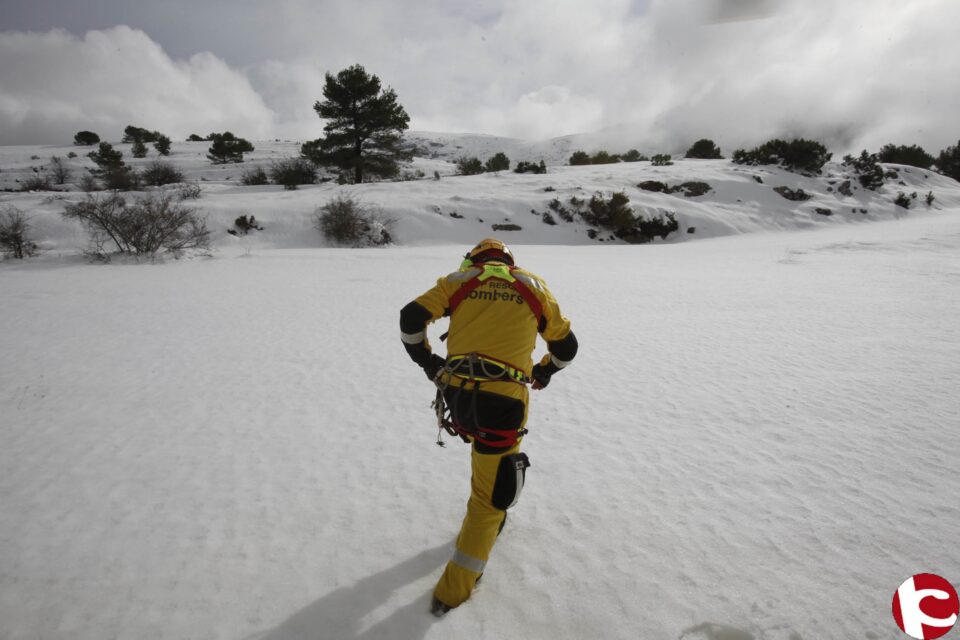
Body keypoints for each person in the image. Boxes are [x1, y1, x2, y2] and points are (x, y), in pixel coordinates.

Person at [399, 237, 578, 616]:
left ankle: (485, 517)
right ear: (509, 261)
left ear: (474, 259)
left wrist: (430, 364)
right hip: (505, 401)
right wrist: (544, 371)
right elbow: (567, 348)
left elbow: (410, 318)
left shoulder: (459, 280)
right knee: (490, 498)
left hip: (459, 398)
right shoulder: (532, 286)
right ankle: (453, 593)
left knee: (486, 468)